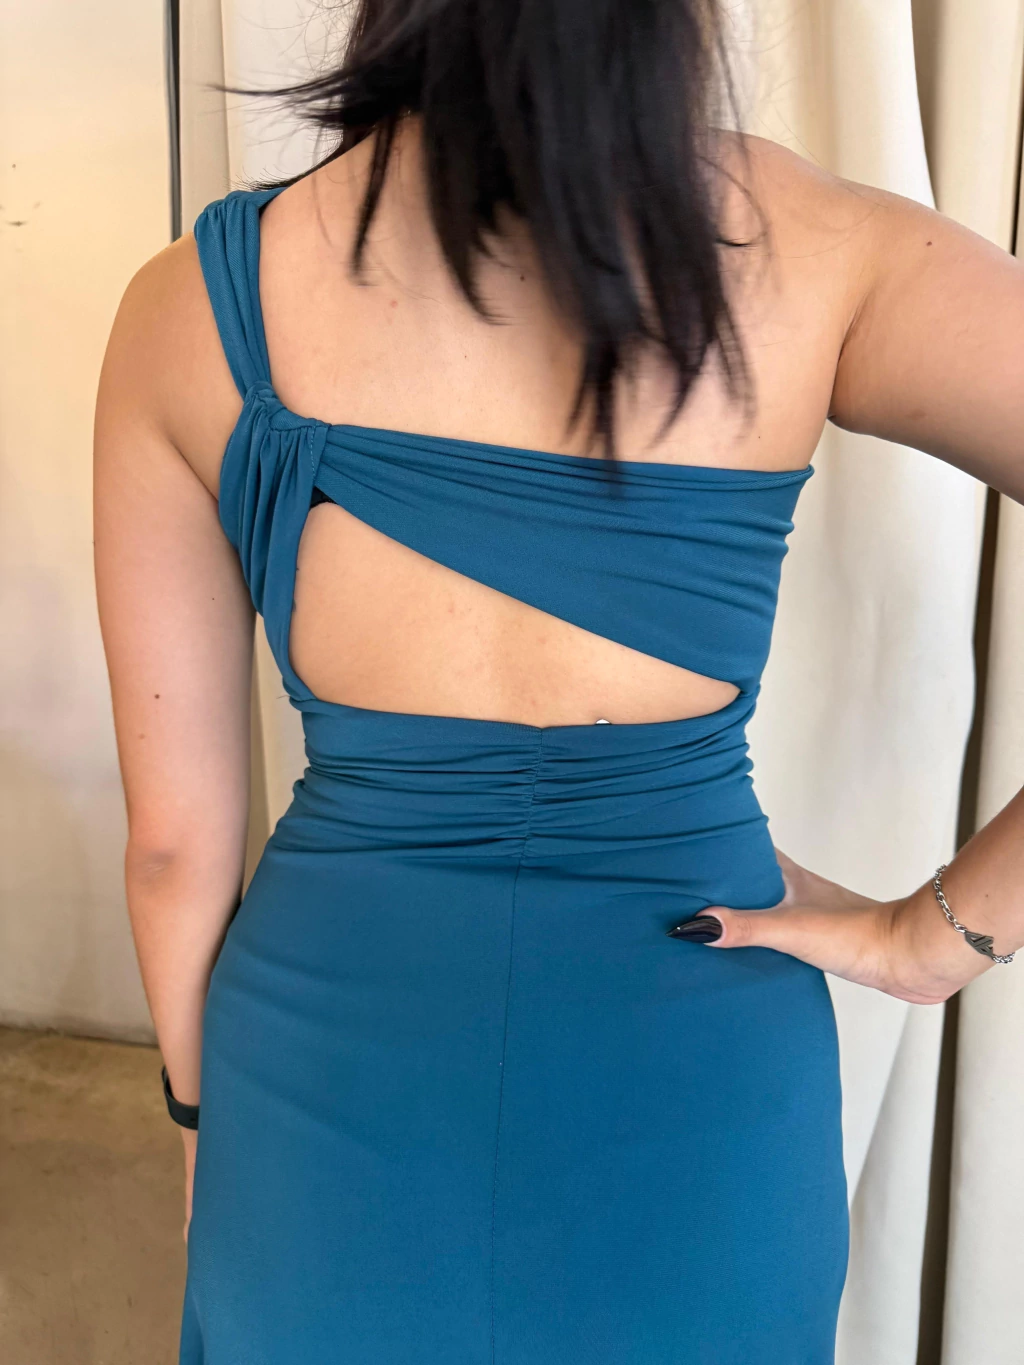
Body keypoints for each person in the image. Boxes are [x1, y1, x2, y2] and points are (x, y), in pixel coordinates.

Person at [93, 1, 1024, 1360]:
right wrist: (939, 939)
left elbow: (174, 853)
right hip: (700, 1073)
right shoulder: (825, 246)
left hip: (322, 1069)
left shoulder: (191, 305)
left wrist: (200, 1127)